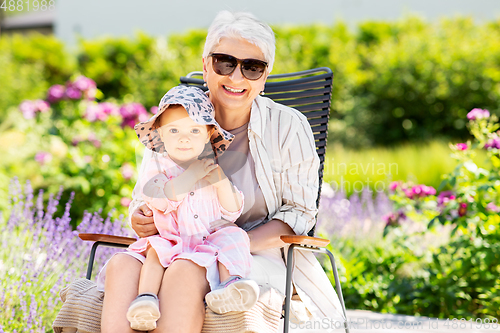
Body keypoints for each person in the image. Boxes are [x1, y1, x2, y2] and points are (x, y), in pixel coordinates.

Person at [100, 11, 346, 333]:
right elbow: (144, 197)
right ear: (205, 65)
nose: (236, 77)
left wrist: (230, 243)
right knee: (121, 265)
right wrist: (141, 217)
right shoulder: (173, 121)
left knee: (186, 269)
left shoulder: (287, 126)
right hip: (177, 243)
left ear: (265, 75)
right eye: (224, 63)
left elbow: (299, 213)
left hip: (254, 253)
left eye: (252, 67)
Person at [124, 85, 259, 331]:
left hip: (206, 242)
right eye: (174, 130)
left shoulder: (213, 167)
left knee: (235, 235)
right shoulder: (159, 168)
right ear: (161, 134)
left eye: (194, 130)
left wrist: (222, 185)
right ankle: (146, 300)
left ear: (208, 134)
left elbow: (232, 211)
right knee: (155, 252)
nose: (184, 138)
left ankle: (230, 285)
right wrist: (191, 176)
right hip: (172, 240)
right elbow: (159, 198)